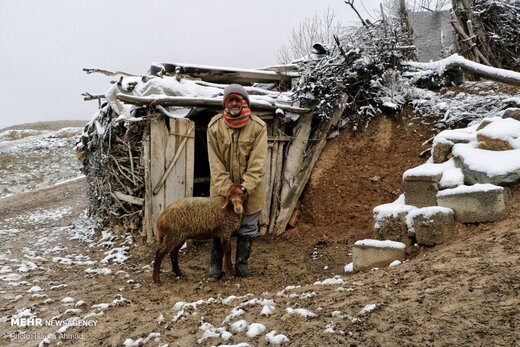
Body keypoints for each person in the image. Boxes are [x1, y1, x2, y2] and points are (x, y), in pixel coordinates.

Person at [207, 84, 268, 278]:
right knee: (217, 225)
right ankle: (215, 266)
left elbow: (257, 162)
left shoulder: (258, 127)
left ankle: (242, 264)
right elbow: (215, 162)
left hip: (250, 189)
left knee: (248, 225)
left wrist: (244, 187)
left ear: (244, 102)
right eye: (230, 100)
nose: (234, 103)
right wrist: (228, 188)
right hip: (222, 190)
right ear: (225, 103)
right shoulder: (214, 126)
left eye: (237, 99)